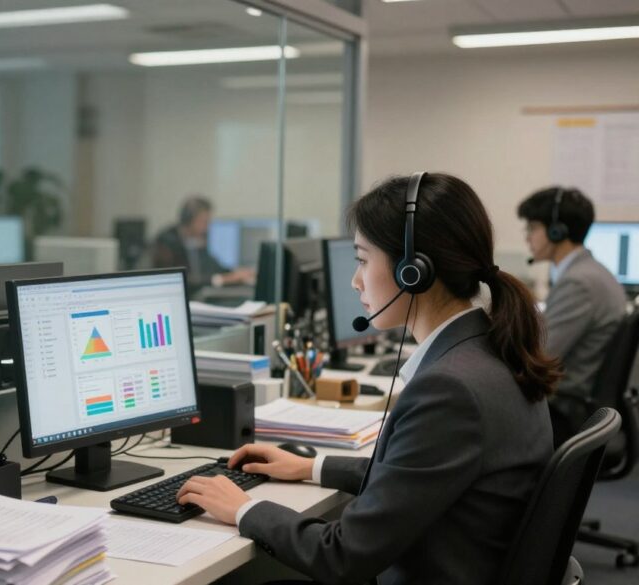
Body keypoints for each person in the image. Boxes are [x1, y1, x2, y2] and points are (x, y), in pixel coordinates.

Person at [176, 173, 560, 585]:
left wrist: (243, 509)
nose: (355, 280)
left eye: (361, 259)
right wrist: (312, 466)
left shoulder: (451, 390)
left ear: (414, 270)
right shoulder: (487, 351)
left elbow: (342, 555)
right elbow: (415, 477)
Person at [517, 186, 628, 445]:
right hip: (578, 407)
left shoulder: (579, 283)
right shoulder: (593, 273)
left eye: (532, 228)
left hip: (564, 414)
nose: (527, 237)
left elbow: (538, 357)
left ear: (558, 231)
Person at [151, 196, 254, 292]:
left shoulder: (198, 238)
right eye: (204, 222)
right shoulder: (167, 241)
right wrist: (220, 279)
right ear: (189, 220)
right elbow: (180, 280)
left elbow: (214, 266)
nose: (207, 227)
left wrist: (235, 273)